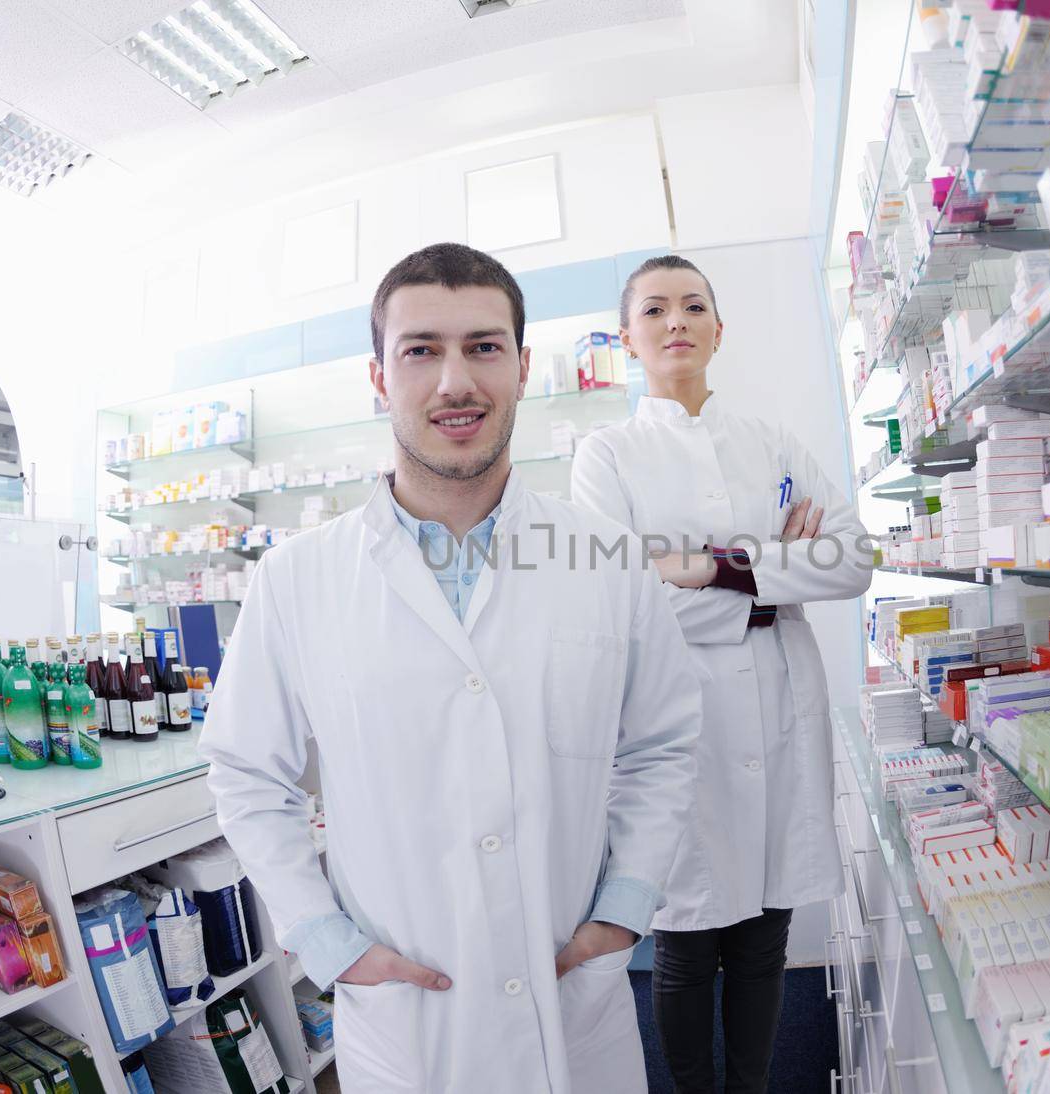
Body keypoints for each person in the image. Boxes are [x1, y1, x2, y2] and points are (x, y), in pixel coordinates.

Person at [201, 243, 703, 1093]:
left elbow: (663, 745)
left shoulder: (607, 558)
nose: (454, 382)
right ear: (378, 373)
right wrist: (327, 940)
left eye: (483, 347)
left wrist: (623, 909)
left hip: (571, 1001)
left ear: (521, 365)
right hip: (408, 1024)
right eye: (421, 350)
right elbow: (249, 772)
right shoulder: (297, 578)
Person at [570, 254, 875, 1093]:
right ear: (628, 338)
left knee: (765, 934)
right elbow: (619, 606)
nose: (677, 321)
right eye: (656, 310)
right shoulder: (607, 456)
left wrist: (707, 568)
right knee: (685, 937)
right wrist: (772, 572)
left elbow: (851, 561)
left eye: (694, 305)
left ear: (718, 328)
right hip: (678, 727)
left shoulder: (770, 442)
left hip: (778, 710)